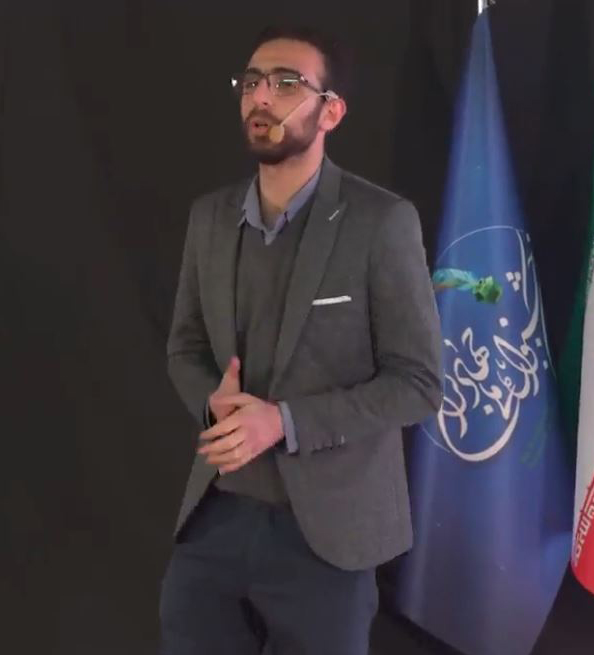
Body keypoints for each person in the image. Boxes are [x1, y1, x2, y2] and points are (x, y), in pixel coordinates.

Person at [158, 23, 443, 655]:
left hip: (328, 538)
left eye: (287, 84)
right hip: (215, 520)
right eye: (252, 82)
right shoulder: (209, 218)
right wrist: (214, 405)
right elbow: (184, 348)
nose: (262, 97)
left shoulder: (381, 222)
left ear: (331, 111)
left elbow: (419, 383)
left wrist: (283, 423)